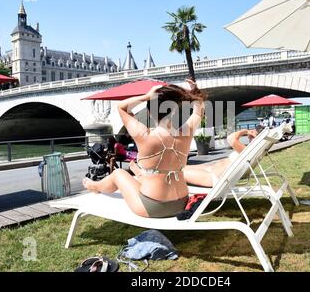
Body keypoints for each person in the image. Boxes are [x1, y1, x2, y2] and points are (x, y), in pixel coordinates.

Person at [82, 79, 206, 218]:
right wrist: (194, 92)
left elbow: (122, 108)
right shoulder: (185, 133)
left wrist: (146, 96)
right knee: (141, 175)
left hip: (154, 207)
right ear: (174, 111)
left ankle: (95, 187)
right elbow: (198, 112)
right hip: (181, 202)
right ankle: (100, 185)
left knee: (119, 174)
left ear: (149, 112)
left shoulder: (145, 135)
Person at [179, 127, 263, 188]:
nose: (249, 135)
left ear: (258, 138)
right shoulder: (251, 150)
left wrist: (245, 130)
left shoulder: (249, 151)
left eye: (252, 134)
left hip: (213, 177)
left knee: (175, 172)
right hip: (210, 170)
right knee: (180, 168)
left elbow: (231, 139)